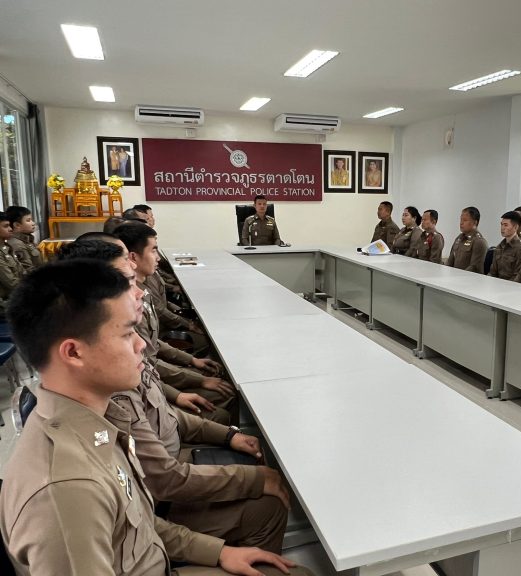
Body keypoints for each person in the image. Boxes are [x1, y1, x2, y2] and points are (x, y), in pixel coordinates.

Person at [0, 259, 306, 576]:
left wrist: (218, 552)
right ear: (74, 353)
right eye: (126, 334)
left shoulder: (94, 424)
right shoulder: (68, 491)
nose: (142, 344)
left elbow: (139, 523)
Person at [56, 240, 293, 558]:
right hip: (162, 511)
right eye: (126, 281)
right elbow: (160, 488)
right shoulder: (107, 387)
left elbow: (162, 411)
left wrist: (228, 435)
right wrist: (219, 550)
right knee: (267, 503)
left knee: (227, 420)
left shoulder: (115, 354)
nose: (139, 290)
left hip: (162, 487)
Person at [114, 224, 236, 423]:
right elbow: (148, 364)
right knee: (224, 391)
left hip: (158, 378)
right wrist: (194, 380)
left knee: (215, 372)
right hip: (157, 388)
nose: (158, 257)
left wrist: (192, 362)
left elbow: (152, 347)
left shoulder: (140, 292)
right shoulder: (125, 309)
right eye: (153, 250)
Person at [446, 206, 488, 273]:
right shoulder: (459, 238)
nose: (461, 223)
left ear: (475, 223)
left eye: (465, 220)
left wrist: (456, 277)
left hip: (468, 278)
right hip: (454, 276)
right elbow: (450, 262)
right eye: (461, 219)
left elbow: (474, 268)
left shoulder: (479, 242)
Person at [488, 211, 521, 281]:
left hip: (511, 286)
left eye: (506, 225)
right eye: (501, 224)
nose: (502, 228)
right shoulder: (499, 247)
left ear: (515, 227)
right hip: (496, 284)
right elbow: (492, 272)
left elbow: (518, 277)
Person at [0, 211, 24, 317]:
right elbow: (11, 283)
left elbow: (22, 272)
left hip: (15, 297)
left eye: (10, 225)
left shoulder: (7, 247)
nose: (10, 229)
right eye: (6, 226)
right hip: (5, 305)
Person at [6, 205, 42, 272]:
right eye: (28, 220)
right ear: (17, 225)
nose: (33, 223)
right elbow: (28, 270)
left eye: (31, 220)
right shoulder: (17, 244)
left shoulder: (27, 240)